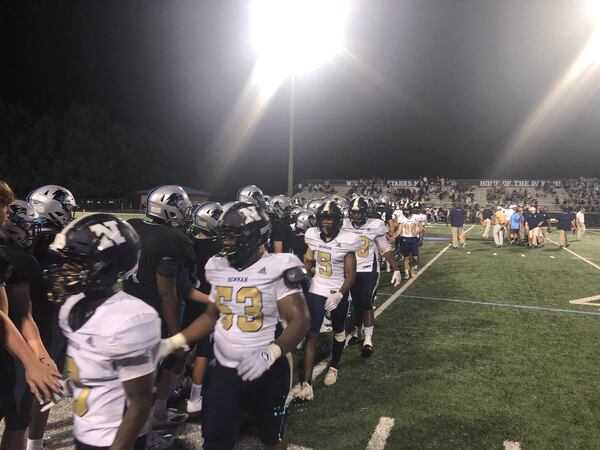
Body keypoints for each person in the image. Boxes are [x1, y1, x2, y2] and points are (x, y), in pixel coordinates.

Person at [160, 202, 310, 449]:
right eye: (225, 237)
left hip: (268, 370)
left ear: (255, 238)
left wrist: (272, 352)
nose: (226, 243)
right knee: (216, 440)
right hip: (225, 370)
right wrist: (174, 342)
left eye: (233, 238)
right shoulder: (219, 265)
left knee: (272, 439)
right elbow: (211, 316)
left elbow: (299, 320)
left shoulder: (278, 267)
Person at [46, 213, 160, 450]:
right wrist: (71, 386)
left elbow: (139, 402)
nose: (64, 270)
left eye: (75, 263)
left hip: (114, 438)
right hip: (85, 431)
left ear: (105, 266)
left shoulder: (131, 318)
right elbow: (96, 366)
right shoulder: (72, 307)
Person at [122, 185, 207, 436]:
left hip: (125, 311)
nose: (187, 213)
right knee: (146, 383)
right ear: (170, 210)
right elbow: (167, 291)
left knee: (131, 381)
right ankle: (144, 437)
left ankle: (148, 423)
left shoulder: (134, 225)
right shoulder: (175, 240)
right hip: (152, 317)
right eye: (183, 208)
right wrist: (176, 334)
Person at [0, 200, 60, 450]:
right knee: (16, 419)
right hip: (11, 357)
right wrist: (35, 359)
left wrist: (40, 358)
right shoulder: (16, 258)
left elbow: (21, 314)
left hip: (12, 349)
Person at [26, 184, 78, 450]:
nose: (70, 213)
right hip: (48, 322)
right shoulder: (61, 243)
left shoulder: (20, 234)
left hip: (17, 318)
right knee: (47, 383)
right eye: (67, 208)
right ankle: (33, 444)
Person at [295, 201, 359, 399]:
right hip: (317, 288)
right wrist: (305, 272)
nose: (326, 223)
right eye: (323, 218)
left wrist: (339, 293)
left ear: (338, 220)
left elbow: (351, 274)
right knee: (312, 333)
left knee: (339, 330)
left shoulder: (348, 240)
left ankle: (334, 367)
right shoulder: (312, 236)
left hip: (338, 289)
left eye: (330, 218)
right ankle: (307, 383)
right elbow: (307, 260)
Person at [342, 197, 400, 357]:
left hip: (368, 269)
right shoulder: (344, 224)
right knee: (353, 303)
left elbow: (384, 247)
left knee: (366, 303)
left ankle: (368, 339)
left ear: (366, 212)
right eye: (353, 212)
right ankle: (355, 332)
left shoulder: (376, 225)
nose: (355, 216)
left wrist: (395, 268)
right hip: (349, 269)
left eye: (359, 212)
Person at [181, 201, 223, 414]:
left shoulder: (187, 242)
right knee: (205, 351)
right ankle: (195, 397)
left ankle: (169, 389)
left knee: (183, 347)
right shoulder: (218, 247)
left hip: (189, 300)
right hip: (208, 301)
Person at [391, 203, 425, 279]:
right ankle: (407, 272)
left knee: (415, 256)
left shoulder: (416, 217)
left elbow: (422, 228)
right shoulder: (401, 218)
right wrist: (394, 237)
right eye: (404, 210)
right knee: (405, 257)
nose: (405, 212)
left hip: (414, 239)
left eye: (407, 210)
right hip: (404, 239)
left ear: (411, 210)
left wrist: (416, 232)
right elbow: (399, 230)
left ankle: (414, 269)